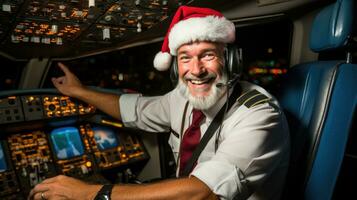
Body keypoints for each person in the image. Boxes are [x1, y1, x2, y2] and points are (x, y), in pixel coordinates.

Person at [28, 6, 290, 200]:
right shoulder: (182, 98)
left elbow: (204, 193)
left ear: (231, 61)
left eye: (208, 55)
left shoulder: (258, 114)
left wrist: (92, 193)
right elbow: (134, 110)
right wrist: (79, 91)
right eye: (185, 58)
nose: (196, 70)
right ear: (176, 68)